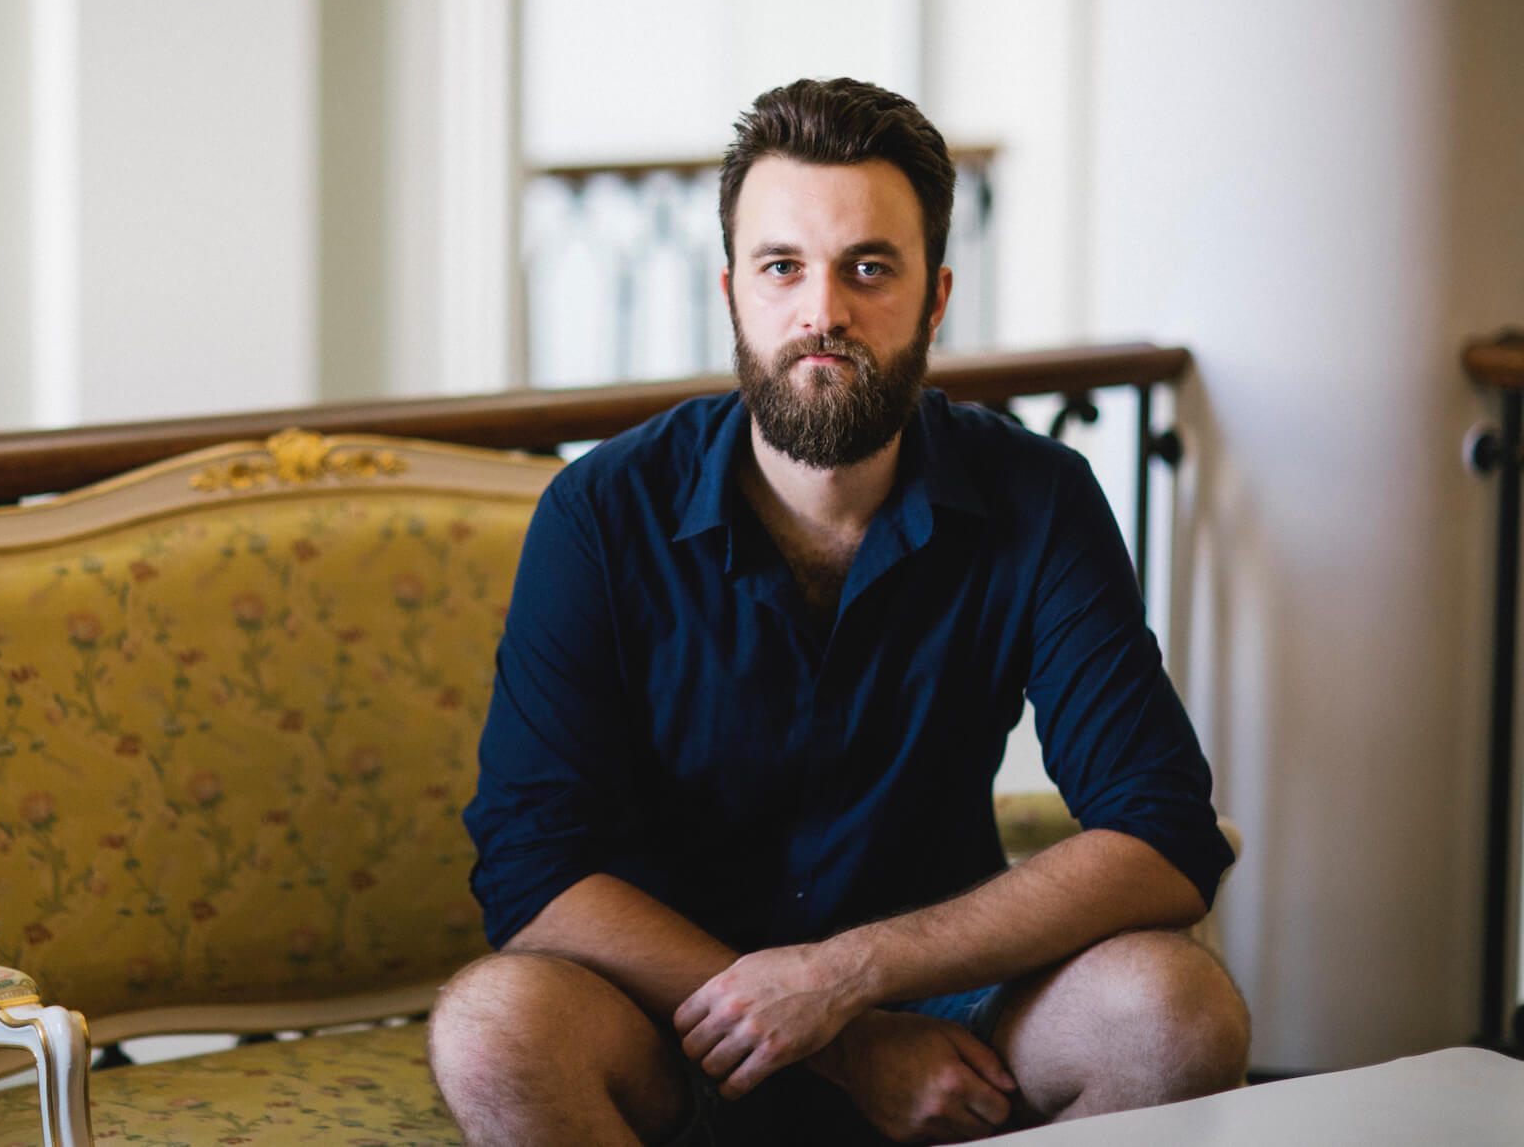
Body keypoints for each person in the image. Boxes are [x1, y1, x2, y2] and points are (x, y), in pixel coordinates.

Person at [427, 78, 1250, 1145]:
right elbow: (531, 867)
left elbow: (1162, 835)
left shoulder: (1035, 498)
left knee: (1170, 1012)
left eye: (868, 267)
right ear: (731, 292)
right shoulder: (598, 511)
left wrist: (848, 976)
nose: (821, 311)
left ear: (934, 297)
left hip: (940, 1005)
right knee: (492, 1024)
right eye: (782, 268)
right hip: (666, 1012)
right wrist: (841, 1043)